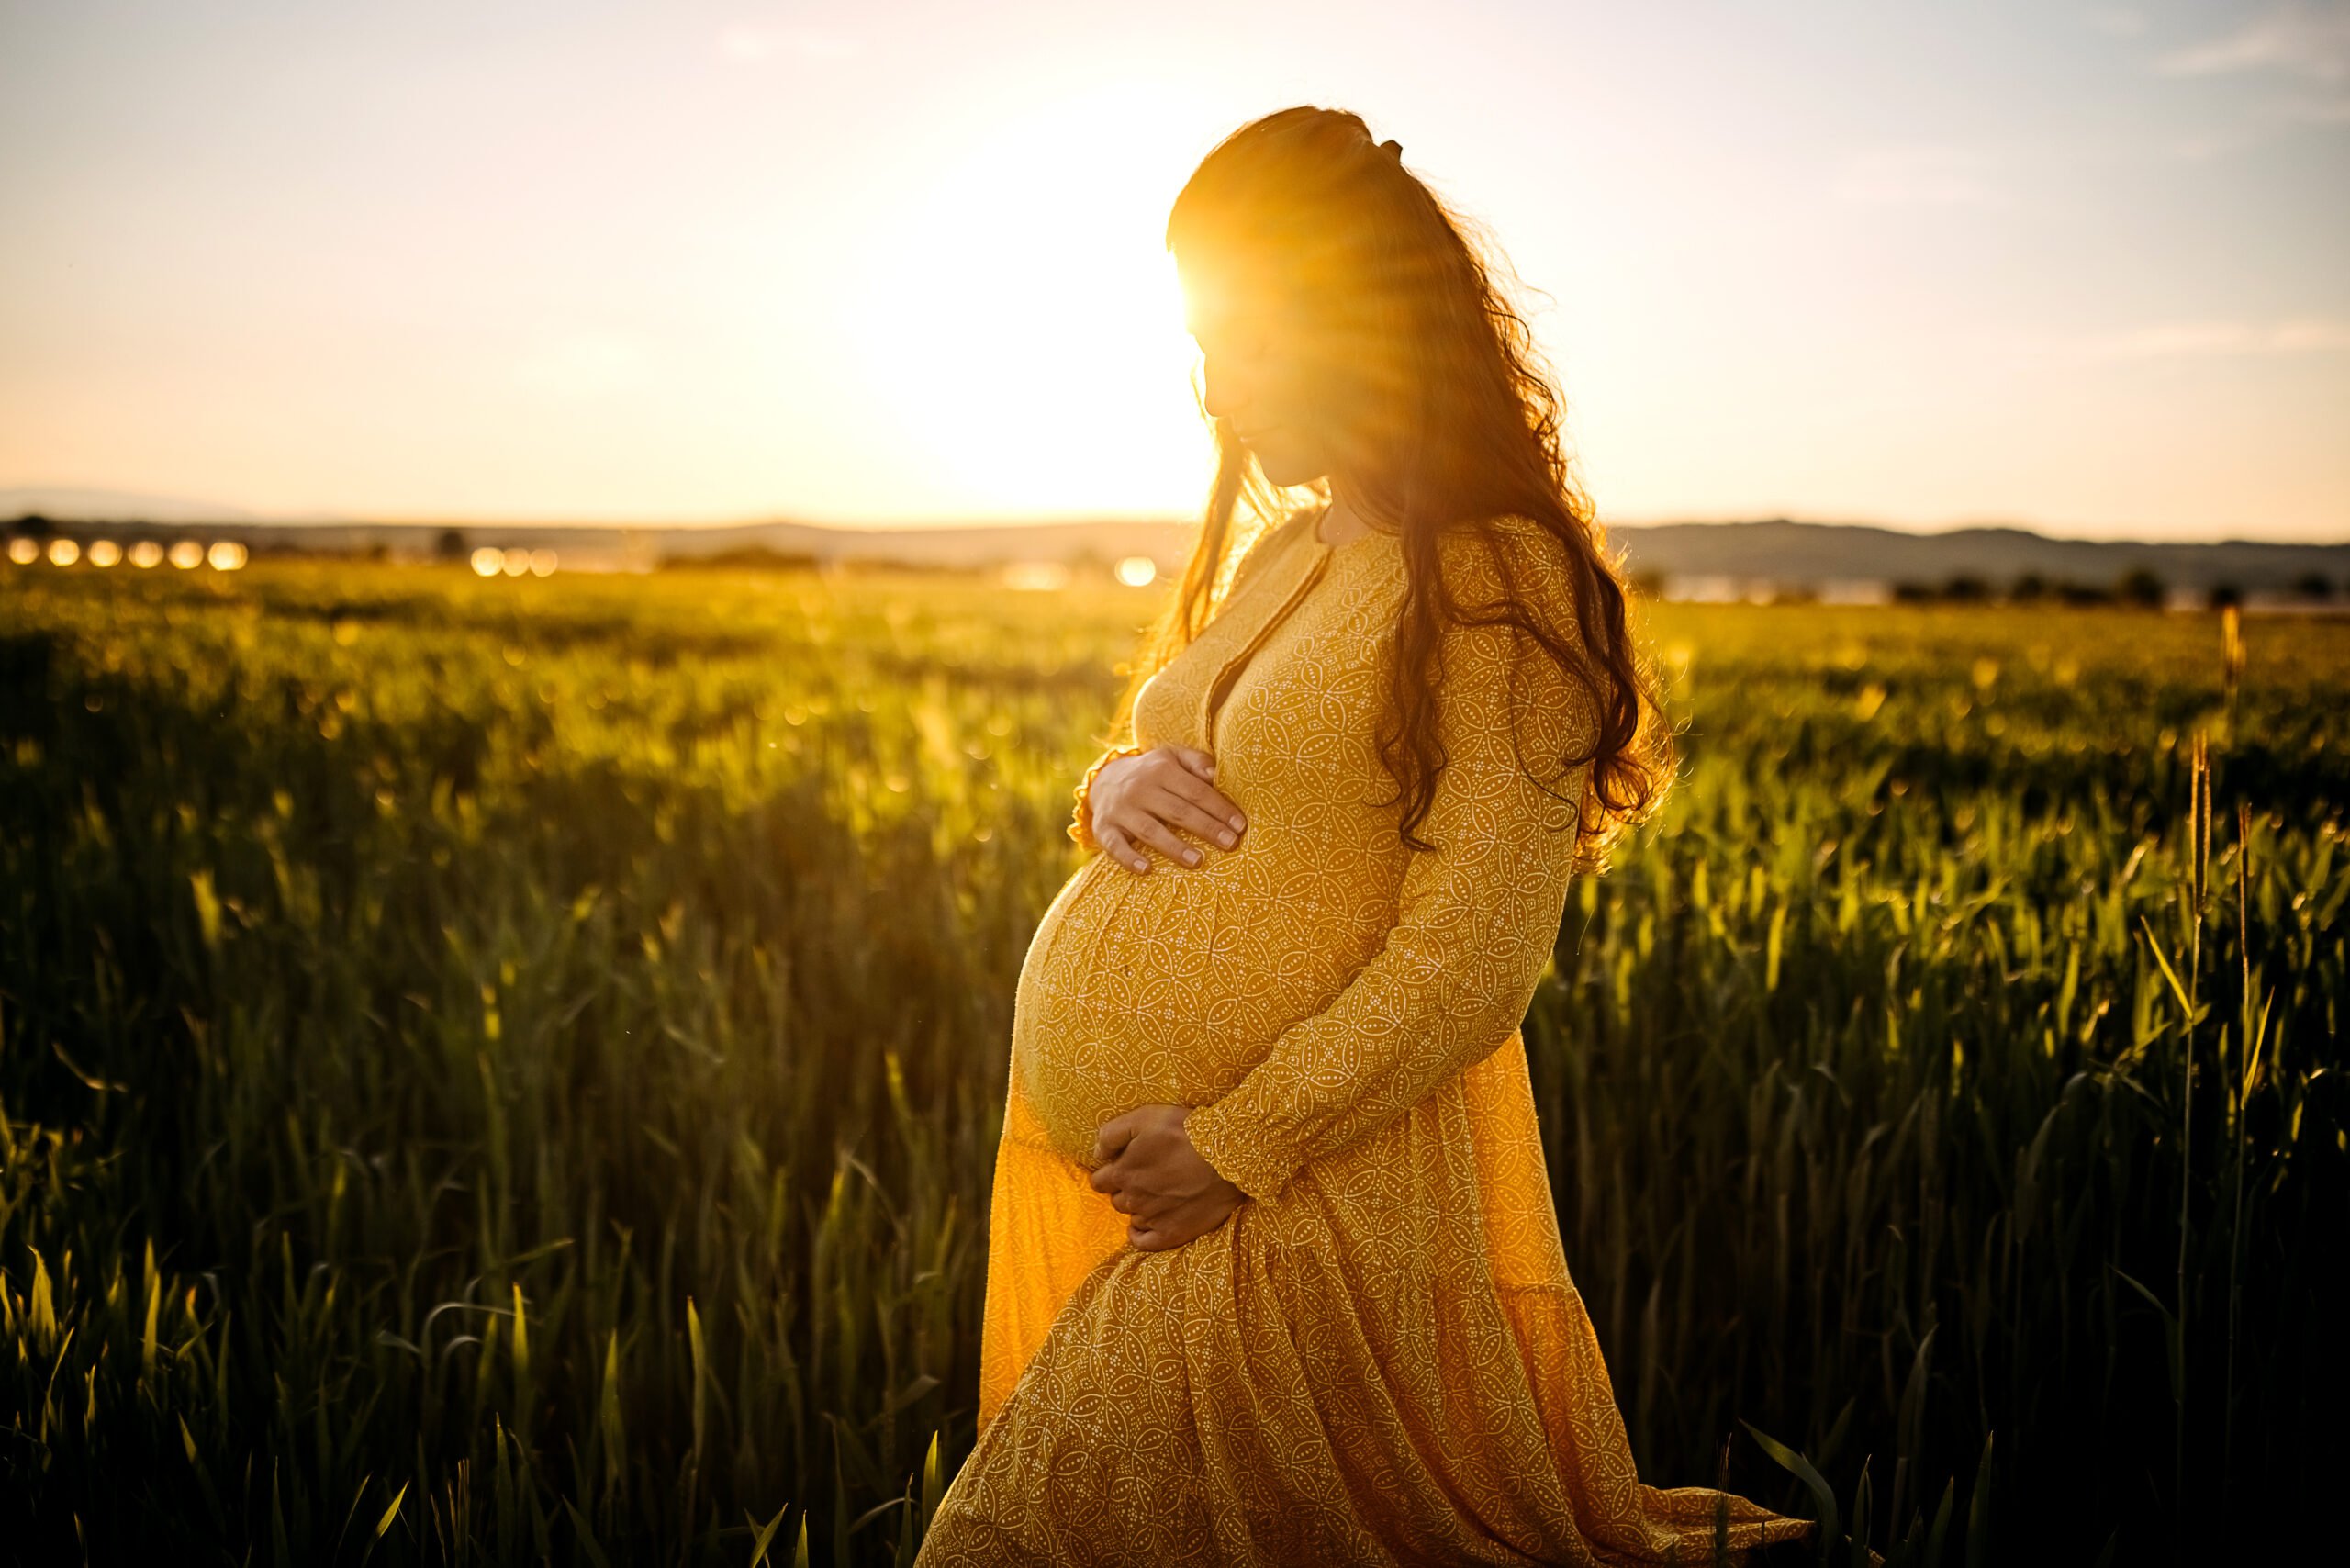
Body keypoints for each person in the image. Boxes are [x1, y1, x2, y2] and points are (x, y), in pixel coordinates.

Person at [915, 106, 1810, 1566]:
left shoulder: (1500, 580)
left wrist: (1235, 1144)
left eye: (1253, 340)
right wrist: (1114, 780)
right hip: (1192, 1201)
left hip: (1286, 1205)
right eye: (1205, 342)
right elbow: (1215, 760)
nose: (1219, 389)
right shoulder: (1294, 550)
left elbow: (1475, 957)